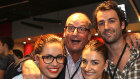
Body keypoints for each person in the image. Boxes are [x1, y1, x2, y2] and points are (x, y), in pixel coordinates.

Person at [16, 12, 139, 79]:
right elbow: (20, 63)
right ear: (64, 32)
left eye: (81, 29)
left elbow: (116, 46)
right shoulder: (54, 54)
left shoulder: (97, 53)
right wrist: (26, 63)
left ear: (89, 35)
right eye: (71, 28)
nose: (75, 34)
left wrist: (131, 36)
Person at [93, 1, 140, 79]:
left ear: (122, 24)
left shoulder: (138, 52)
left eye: (112, 21)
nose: (106, 27)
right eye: (101, 23)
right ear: (97, 29)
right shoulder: (98, 62)